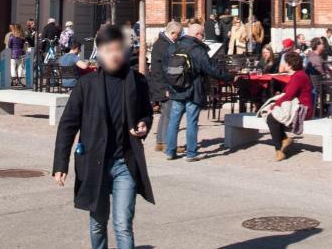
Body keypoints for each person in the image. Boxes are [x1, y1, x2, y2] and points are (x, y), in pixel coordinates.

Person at [53, 24, 153, 249]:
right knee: (98, 223)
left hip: (125, 163)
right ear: (99, 52)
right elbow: (68, 125)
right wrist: (61, 164)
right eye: (108, 50)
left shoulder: (137, 82)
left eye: (118, 49)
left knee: (123, 224)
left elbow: (146, 112)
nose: (114, 55)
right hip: (94, 163)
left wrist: (144, 124)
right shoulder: (87, 85)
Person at [163, 22, 234, 161]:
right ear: (198, 34)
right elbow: (210, 69)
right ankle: (191, 153)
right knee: (192, 122)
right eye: (203, 35)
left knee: (174, 121)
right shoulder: (198, 50)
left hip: (176, 89)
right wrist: (229, 76)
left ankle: (170, 151)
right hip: (193, 90)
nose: (203, 38)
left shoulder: (172, 47)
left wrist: (169, 86)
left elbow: (165, 69)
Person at [266, 51, 313, 162]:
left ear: (290, 65)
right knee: (275, 117)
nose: (283, 65)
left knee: (271, 118)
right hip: (301, 107)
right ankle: (284, 139)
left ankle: (279, 150)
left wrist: (274, 105)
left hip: (303, 109)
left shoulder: (298, 76)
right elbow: (288, 93)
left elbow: (289, 95)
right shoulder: (299, 74)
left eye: (285, 63)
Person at [148, 21, 181, 152]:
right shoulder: (165, 45)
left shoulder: (160, 43)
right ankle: (168, 143)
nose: (178, 37)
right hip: (164, 84)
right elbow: (165, 69)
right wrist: (167, 88)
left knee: (164, 114)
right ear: (172, 33)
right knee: (169, 114)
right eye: (177, 35)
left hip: (159, 83)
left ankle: (160, 142)